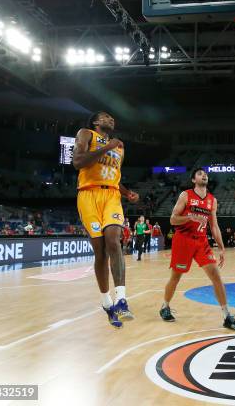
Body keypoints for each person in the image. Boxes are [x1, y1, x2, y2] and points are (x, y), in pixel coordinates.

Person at [73, 111, 139, 328]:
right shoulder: (86, 134)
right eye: (106, 117)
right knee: (100, 251)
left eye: (113, 118)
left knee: (113, 240)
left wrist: (127, 193)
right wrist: (106, 147)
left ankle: (121, 299)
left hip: (111, 195)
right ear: (95, 122)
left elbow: (113, 176)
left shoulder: (119, 146)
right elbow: (78, 162)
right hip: (88, 194)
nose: (111, 119)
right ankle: (106, 302)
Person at [161, 168, 235, 330]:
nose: (204, 175)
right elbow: (172, 219)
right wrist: (189, 217)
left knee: (216, 276)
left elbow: (214, 226)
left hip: (201, 242)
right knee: (176, 277)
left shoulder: (212, 200)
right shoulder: (186, 195)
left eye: (205, 174)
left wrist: (221, 247)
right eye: (199, 173)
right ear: (193, 180)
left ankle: (226, 316)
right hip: (183, 240)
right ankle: (165, 306)